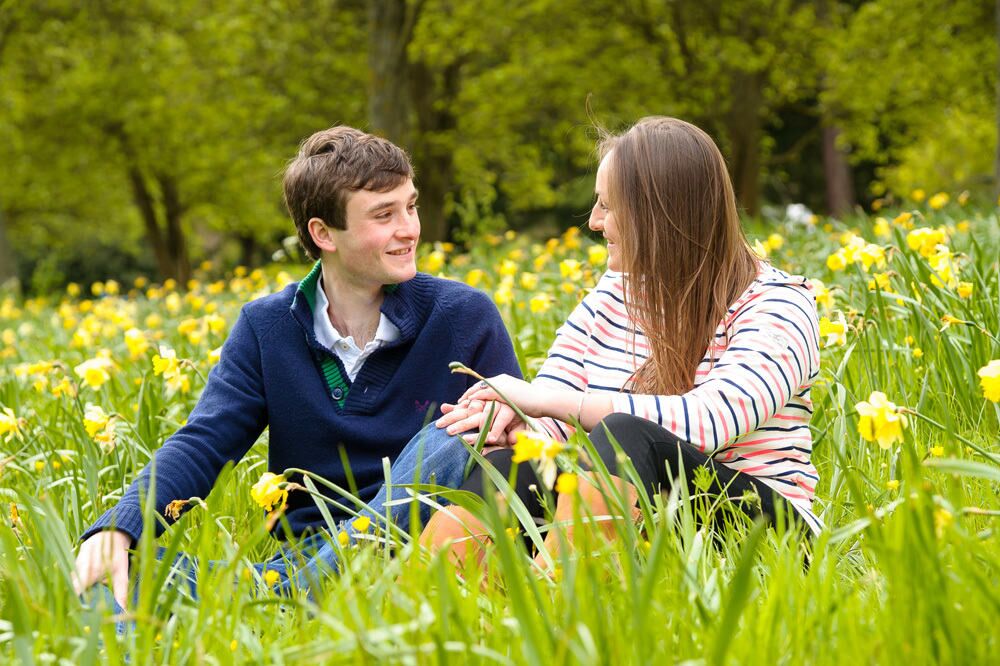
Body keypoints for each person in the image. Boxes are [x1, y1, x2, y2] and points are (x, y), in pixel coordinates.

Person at [73, 126, 521, 607]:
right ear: (323, 233)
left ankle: (298, 592)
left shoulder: (464, 315)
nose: (409, 228)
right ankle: (306, 586)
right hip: (299, 557)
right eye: (384, 214)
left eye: (410, 206)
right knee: (102, 568)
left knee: (454, 437)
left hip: (425, 555)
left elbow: (515, 455)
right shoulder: (266, 328)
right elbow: (204, 443)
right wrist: (119, 527)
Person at [424, 117, 822, 563]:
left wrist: (542, 402)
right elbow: (552, 406)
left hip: (765, 535)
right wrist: (514, 422)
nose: (594, 222)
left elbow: (711, 420)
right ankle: (430, 592)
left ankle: (557, 597)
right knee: (513, 465)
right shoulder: (614, 294)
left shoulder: (777, 304)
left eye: (607, 206)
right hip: (649, 514)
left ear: (661, 215)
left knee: (624, 435)